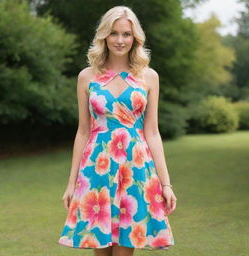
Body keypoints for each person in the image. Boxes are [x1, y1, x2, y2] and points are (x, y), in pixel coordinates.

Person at [58, 5, 177, 256]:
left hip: (135, 169)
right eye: (114, 33)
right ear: (104, 36)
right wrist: (71, 183)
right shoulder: (86, 77)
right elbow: (82, 131)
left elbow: (152, 132)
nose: (120, 40)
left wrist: (166, 185)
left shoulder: (149, 77)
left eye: (126, 34)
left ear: (135, 38)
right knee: (99, 249)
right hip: (96, 169)